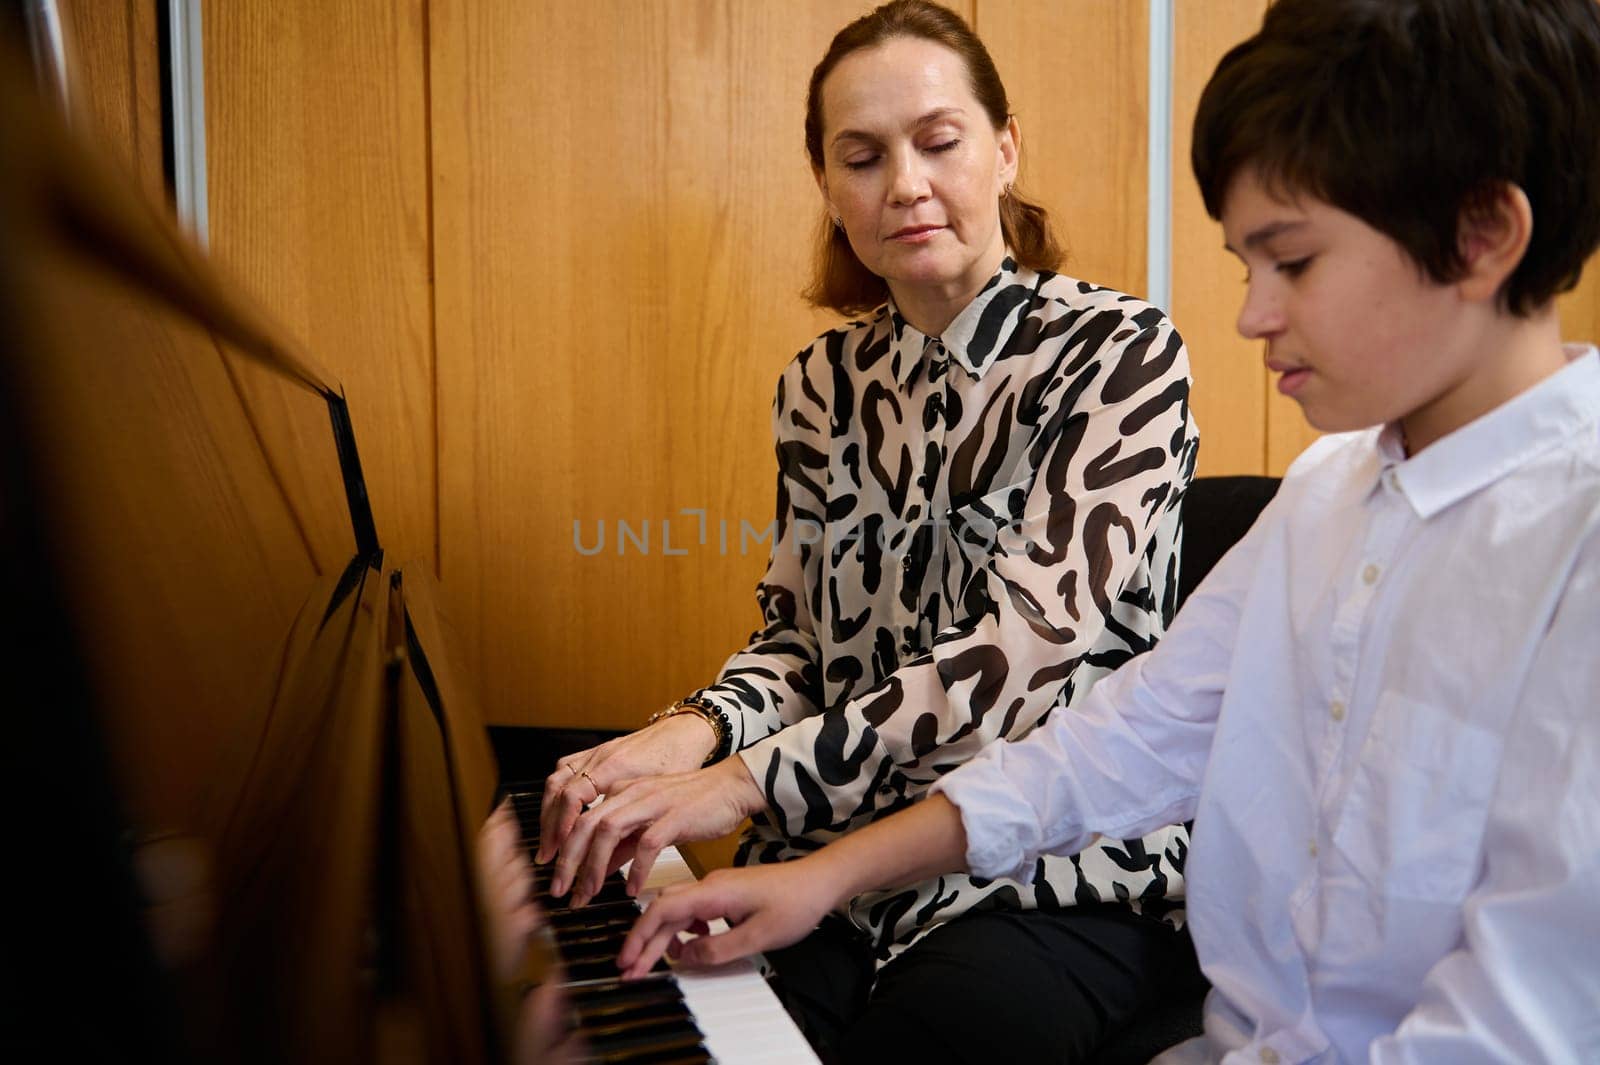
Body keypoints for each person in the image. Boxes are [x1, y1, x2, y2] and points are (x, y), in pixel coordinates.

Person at [618, 0, 1600, 1061]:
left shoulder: (1568, 534)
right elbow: (1118, 744)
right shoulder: (1324, 494)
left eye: (1295, 262)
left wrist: (743, 786)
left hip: (1064, 901)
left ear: (1482, 235)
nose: (1250, 316)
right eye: (1243, 266)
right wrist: (811, 858)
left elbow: (1516, 1022)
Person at [537, 1, 1202, 1060]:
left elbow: (1014, 661)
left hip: (1049, 877)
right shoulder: (818, 388)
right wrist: (692, 730)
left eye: (938, 142)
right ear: (827, 184)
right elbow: (800, 645)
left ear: (1004, 149)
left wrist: (742, 783)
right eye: (863, 156)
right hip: (830, 870)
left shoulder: (1118, 355)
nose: (904, 184)